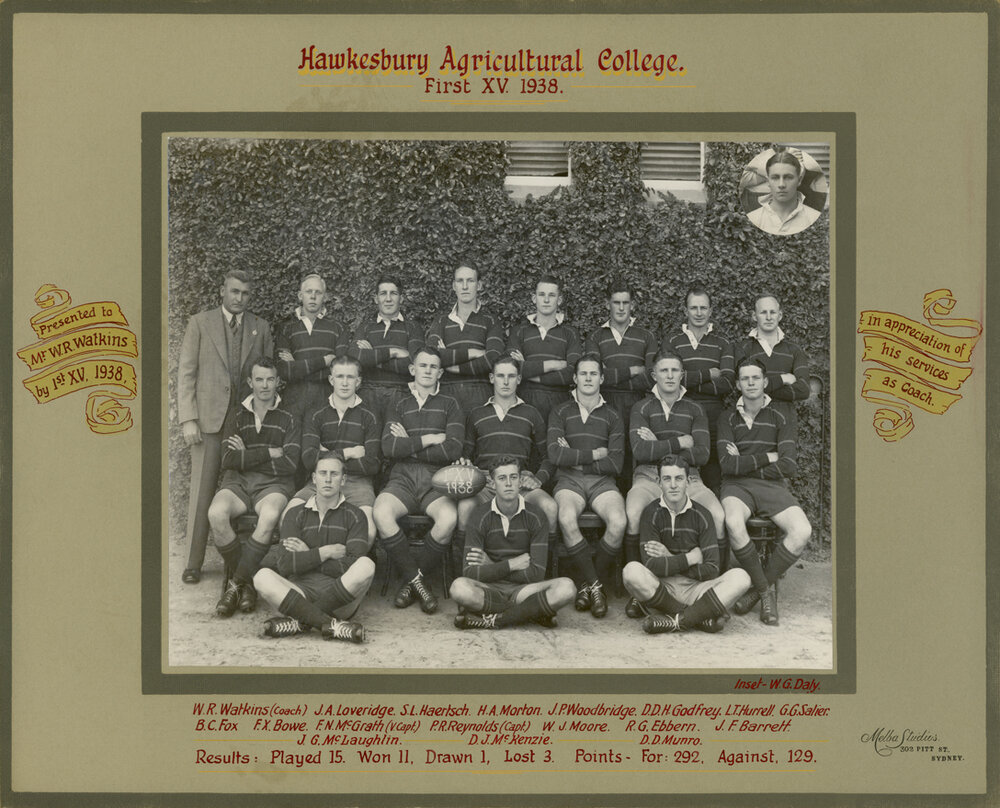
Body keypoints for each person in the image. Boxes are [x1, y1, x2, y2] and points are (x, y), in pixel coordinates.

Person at [177, 269, 274, 584]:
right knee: (202, 492)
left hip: (247, 422)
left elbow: (268, 376)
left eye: (245, 293)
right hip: (208, 420)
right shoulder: (200, 323)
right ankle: (193, 563)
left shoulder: (261, 327)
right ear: (222, 291)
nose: (240, 298)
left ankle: (250, 560)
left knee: (247, 488)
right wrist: (188, 418)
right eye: (234, 292)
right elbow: (187, 373)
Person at [624, 349, 725, 617]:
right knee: (633, 513)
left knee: (717, 514)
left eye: (675, 370)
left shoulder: (695, 408)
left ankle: (709, 584)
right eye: (664, 370)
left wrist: (657, 443)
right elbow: (640, 452)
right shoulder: (641, 407)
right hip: (648, 475)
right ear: (654, 374)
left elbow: (702, 454)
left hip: (689, 477)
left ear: (683, 374)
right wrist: (680, 441)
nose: (669, 375)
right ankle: (638, 592)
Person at [718, 357, 812, 626]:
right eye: (745, 379)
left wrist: (746, 463)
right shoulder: (727, 418)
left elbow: (789, 465)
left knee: (802, 531)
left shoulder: (780, 417)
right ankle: (764, 593)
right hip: (735, 487)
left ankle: (757, 590)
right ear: (737, 384)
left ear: (765, 382)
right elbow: (727, 464)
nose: (750, 383)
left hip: (771, 487)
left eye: (755, 378)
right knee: (734, 522)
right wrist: (767, 457)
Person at [373, 345, 464, 614]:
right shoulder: (398, 403)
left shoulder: (451, 404)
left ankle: (411, 582)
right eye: (423, 366)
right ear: (413, 370)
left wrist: (409, 442)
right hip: (402, 477)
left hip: (437, 480)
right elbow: (389, 448)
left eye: (433, 367)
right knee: (381, 512)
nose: (428, 371)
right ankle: (419, 584)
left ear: (440, 373)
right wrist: (431, 438)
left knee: (448, 519)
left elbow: (454, 449)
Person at [209, 357, 299, 617]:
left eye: (270, 379)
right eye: (259, 379)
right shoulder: (237, 414)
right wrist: (269, 452)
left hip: (274, 485)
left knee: (270, 515)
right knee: (216, 514)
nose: (264, 385)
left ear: (278, 382)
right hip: (237, 482)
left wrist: (247, 456)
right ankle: (246, 584)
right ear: (250, 382)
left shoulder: (289, 416)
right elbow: (227, 459)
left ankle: (235, 584)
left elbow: (291, 463)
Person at [622, 455, 752, 634]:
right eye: (667, 479)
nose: (673, 485)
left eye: (679, 478)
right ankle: (697, 618)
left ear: (688, 482)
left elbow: (712, 569)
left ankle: (677, 621)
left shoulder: (703, 515)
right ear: (659, 482)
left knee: (741, 577)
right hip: (662, 588)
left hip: (697, 590)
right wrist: (690, 558)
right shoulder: (650, 513)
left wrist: (670, 558)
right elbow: (651, 565)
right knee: (631, 571)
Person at [253, 451, 374, 643]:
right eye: (323, 473)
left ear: (343, 480)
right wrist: (324, 553)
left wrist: (307, 555)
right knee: (261, 577)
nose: (327, 479)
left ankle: (301, 622)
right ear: (313, 478)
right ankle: (331, 625)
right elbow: (285, 564)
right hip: (299, 593)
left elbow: (351, 564)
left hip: (340, 599)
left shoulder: (356, 515)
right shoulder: (294, 514)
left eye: (334, 474)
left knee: (366, 564)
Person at [450, 456, 575, 630]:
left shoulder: (536, 516)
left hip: (525, 590)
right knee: (459, 588)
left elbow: (537, 574)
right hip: (490, 589)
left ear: (520, 481)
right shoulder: (479, 516)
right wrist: (511, 565)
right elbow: (470, 572)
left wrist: (491, 565)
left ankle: (496, 620)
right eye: (502, 478)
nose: (508, 483)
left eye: (513, 477)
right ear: (492, 484)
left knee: (567, 587)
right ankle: (532, 613)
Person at [547, 353, 627, 618]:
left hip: (603, 482)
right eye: (584, 374)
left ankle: (587, 584)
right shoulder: (560, 411)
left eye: (594, 374)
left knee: (618, 521)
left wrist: (576, 458)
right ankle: (596, 587)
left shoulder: (613, 415)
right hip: (568, 481)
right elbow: (556, 456)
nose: (589, 378)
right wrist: (595, 455)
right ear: (575, 378)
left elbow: (616, 464)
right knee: (566, 518)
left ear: (602, 378)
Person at [456, 354, 559, 554]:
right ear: (491, 378)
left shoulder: (531, 413)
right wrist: (465, 465)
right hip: (486, 483)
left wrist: (537, 479)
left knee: (550, 507)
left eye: (511, 376)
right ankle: (462, 570)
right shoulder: (477, 414)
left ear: (519, 379)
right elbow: (465, 455)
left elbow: (549, 456)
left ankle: (546, 570)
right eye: (500, 376)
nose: (505, 381)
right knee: (464, 508)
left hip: (520, 482)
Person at [292, 355, 380, 546]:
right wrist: (347, 453)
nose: (345, 383)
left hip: (358, 485)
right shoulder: (316, 413)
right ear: (331, 379)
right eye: (340, 377)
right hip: (319, 479)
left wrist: (326, 454)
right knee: (288, 516)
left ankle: (345, 573)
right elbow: (308, 460)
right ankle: (311, 568)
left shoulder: (370, 415)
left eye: (350, 377)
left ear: (358, 381)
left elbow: (372, 464)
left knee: (369, 529)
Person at [584, 278, 657, 489]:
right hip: (603, 405)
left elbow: (651, 377)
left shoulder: (646, 337)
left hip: (637, 404)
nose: (621, 308)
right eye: (616, 302)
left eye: (626, 302)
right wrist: (632, 370)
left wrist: (612, 376)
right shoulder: (596, 337)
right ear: (608, 304)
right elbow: (595, 375)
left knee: (633, 457)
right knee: (606, 454)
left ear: (632, 305)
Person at [275, 273, 348, 485]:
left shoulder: (338, 328)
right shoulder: (286, 328)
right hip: (294, 399)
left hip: (325, 396)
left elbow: (338, 367)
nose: (313, 297)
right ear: (300, 295)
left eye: (318, 292)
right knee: (294, 452)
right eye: (309, 292)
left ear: (325, 297)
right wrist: (323, 360)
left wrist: (298, 363)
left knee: (320, 452)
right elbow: (285, 371)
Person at [661, 287, 735, 494]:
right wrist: (709, 374)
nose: (699, 313)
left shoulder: (723, 344)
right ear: (686, 310)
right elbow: (670, 378)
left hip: (713, 416)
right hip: (681, 412)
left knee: (713, 473)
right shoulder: (673, 341)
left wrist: (688, 378)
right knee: (680, 470)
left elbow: (728, 383)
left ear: (711, 311)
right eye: (694, 308)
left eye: (703, 308)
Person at [426, 261, 505, 413]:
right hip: (446, 395)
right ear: (454, 286)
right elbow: (432, 356)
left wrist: (451, 364)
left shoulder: (491, 321)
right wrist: (475, 353)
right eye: (460, 281)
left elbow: (493, 359)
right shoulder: (441, 321)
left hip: (481, 395)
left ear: (479, 285)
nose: (464, 286)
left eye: (470, 281)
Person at [346, 274, 425, 423]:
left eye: (393, 293)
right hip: (367, 394)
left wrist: (372, 356)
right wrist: (393, 352)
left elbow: (413, 364)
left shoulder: (413, 327)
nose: (388, 299)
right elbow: (354, 359)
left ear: (401, 298)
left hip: (401, 394)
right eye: (383, 293)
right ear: (376, 299)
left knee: (394, 444)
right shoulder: (365, 327)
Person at [507, 274, 582, 425]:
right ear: (534, 298)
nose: (546, 300)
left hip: (559, 406)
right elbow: (511, 369)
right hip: (522, 405)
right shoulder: (518, 331)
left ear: (559, 300)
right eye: (542, 295)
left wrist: (527, 369)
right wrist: (552, 365)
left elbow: (572, 373)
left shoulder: (570, 333)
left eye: (551, 295)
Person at [736, 294, 811, 407]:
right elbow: (740, 387)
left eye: (773, 312)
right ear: (754, 316)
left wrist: (758, 389)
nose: (769, 317)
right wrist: (782, 379)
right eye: (763, 312)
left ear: (779, 315)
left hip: (786, 420)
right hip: (754, 419)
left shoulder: (794, 349)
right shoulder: (743, 348)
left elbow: (804, 390)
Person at [745, 149, 821, 236]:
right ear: (768, 180)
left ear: (799, 180)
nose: (781, 185)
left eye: (788, 177)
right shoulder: (755, 218)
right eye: (775, 178)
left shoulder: (813, 217)